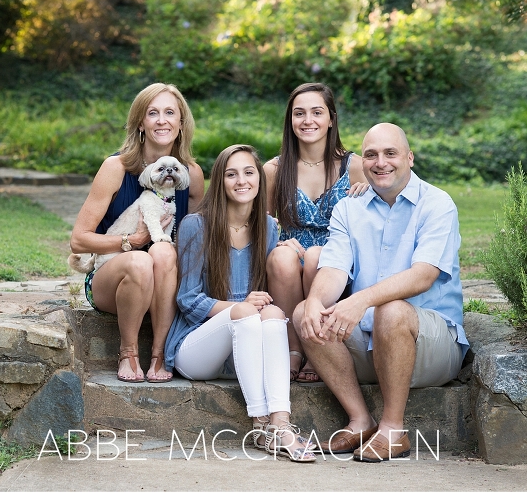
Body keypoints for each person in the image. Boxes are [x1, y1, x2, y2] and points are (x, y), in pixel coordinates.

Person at [293, 122, 469, 461]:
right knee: (305, 312)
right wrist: (316, 301)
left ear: (409, 158)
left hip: (431, 347)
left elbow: (423, 276)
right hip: (372, 346)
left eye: (390, 153)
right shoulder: (349, 208)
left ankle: (393, 430)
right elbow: (333, 268)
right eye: (371, 154)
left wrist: (359, 300)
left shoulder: (437, 204)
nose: (380, 162)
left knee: (391, 310)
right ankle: (360, 420)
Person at [164, 144, 316, 463]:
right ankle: (259, 425)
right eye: (231, 174)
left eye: (249, 173)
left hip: (243, 352)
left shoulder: (267, 228)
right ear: (220, 181)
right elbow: (188, 299)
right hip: (197, 349)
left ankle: (280, 424)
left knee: (273, 312)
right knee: (248, 312)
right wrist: (238, 306)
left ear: (260, 180)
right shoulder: (197, 225)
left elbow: (260, 302)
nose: (241, 181)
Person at [70, 83, 205, 383]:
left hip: (164, 279)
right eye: (152, 113)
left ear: (181, 123)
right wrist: (132, 241)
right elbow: (78, 239)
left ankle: (160, 354)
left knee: (163, 251)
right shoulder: (116, 167)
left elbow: (194, 240)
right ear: (140, 123)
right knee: (141, 260)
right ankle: (128, 352)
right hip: (110, 279)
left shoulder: (191, 174)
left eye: (170, 113)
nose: (161, 120)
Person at [264, 83, 369, 383]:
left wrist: (366, 196)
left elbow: (379, 219)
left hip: (335, 265)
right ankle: (294, 348)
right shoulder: (274, 169)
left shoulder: (355, 167)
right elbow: (259, 225)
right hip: (289, 263)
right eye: (299, 113)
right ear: (291, 121)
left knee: (316, 257)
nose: (307, 120)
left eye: (316, 112)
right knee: (283, 257)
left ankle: (316, 348)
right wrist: (281, 242)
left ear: (331, 119)